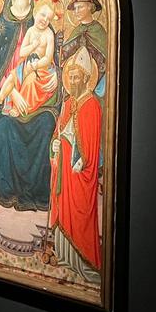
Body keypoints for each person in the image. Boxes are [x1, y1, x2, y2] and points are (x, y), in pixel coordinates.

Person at [0, 0, 59, 211]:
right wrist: (11, 94)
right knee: (5, 125)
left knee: (44, 124)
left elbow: (53, 63)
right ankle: (7, 193)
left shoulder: (42, 20)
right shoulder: (1, 24)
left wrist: (54, 80)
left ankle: (36, 197)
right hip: (10, 96)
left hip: (39, 97)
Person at [48, 47, 102, 283]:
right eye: (69, 76)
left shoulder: (92, 105)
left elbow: (89, 149)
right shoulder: (68, 103)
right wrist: (55, 146)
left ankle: (84, 264)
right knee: (63, 207)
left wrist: (70, 148)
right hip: (64, 173)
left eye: (77, 76)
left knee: (79, 214)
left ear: (86, 79)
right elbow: (58, 133)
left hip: (79, 173)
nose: (72, 80)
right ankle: (64, 257)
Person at [0, 0, 58, 117]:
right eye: (43, 15)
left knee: (30, 81)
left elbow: (49, 58)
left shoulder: (49, 34)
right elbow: (22, 52)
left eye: (48, 18)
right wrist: (32, 46)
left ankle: (20, 108)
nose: (45, 20)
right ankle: (1, 96)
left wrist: (36, 65)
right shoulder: (30, 31)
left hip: (42, 70)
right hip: (26, 64)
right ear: (35, 12)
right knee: (12, 77)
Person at [59, 0, 107, 100]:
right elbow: (63, 56)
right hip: (75, 82)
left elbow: (106, 57)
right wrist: (58, 45)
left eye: (80, 7)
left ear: (90, 7)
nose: (76, 11)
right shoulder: (77, 30)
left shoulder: (98, 31)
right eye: (75, 8)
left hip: (97, 81)